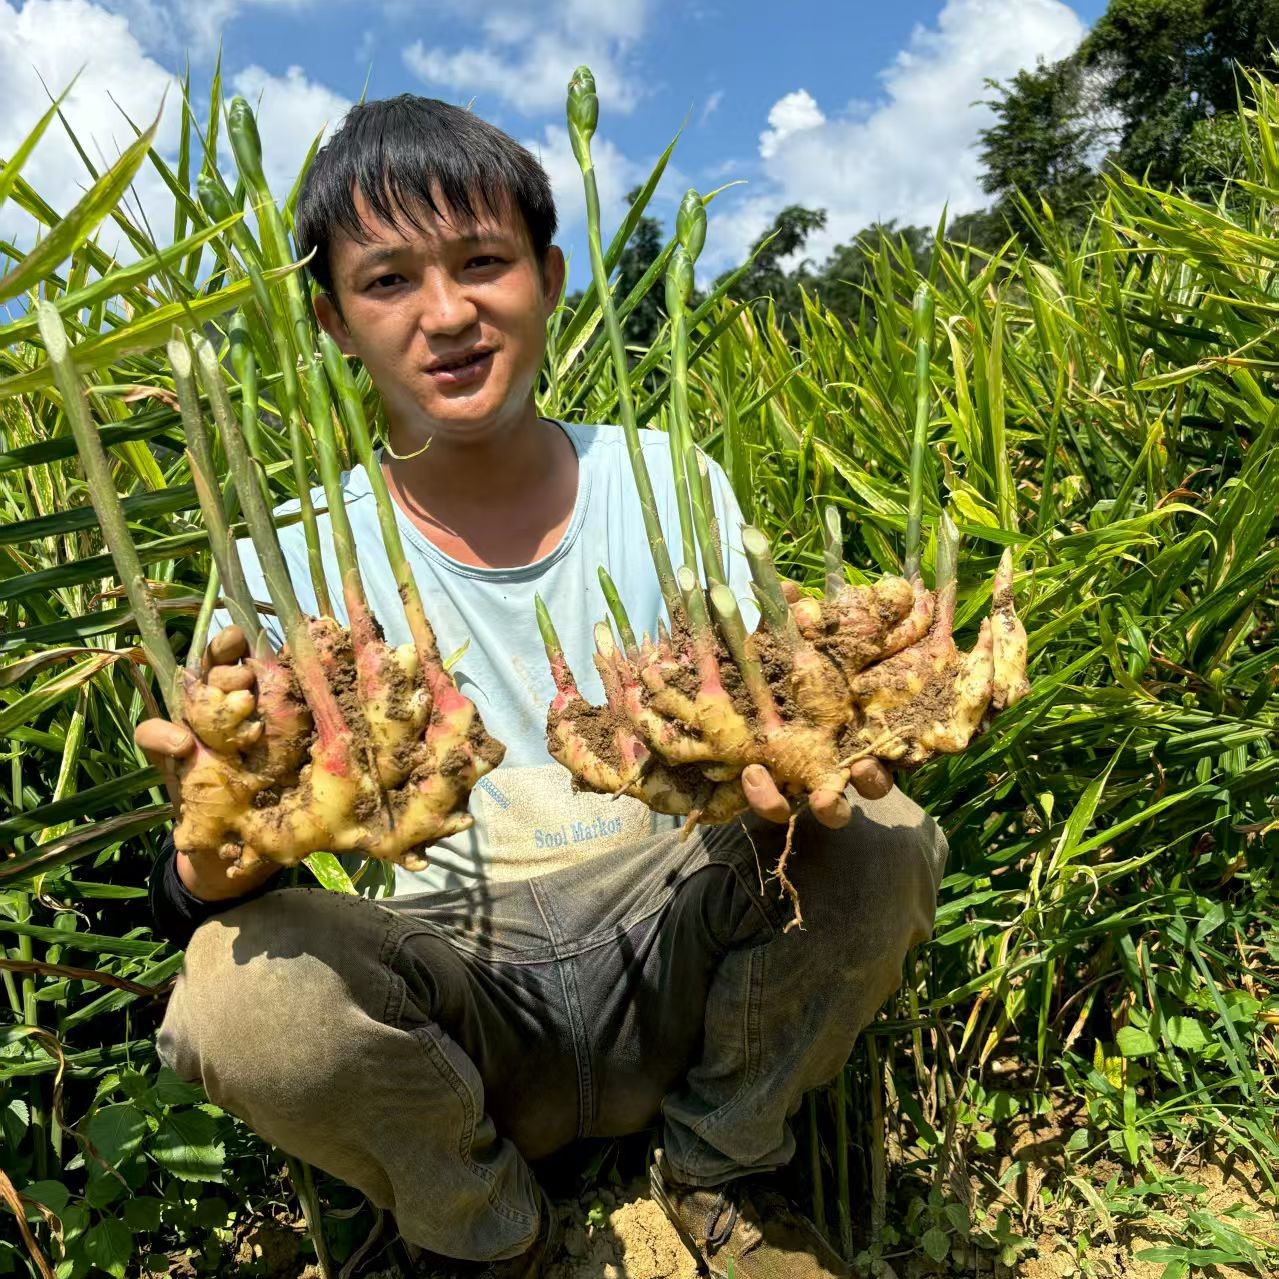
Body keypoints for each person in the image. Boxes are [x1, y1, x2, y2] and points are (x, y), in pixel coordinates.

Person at [137, 94, 948, 1279]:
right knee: (232, 998)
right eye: (387, 283)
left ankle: (718, 1166)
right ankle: (482, 1232)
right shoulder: (285, 554)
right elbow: (220, 834)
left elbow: (760, 704)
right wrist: (199, 871)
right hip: (451, 990)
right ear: (331, 321)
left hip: (664, 937)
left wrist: (813, 751)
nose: (448, 314)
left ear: (551, 276)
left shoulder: (661, 479)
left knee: (880, 833)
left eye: (482, 263)